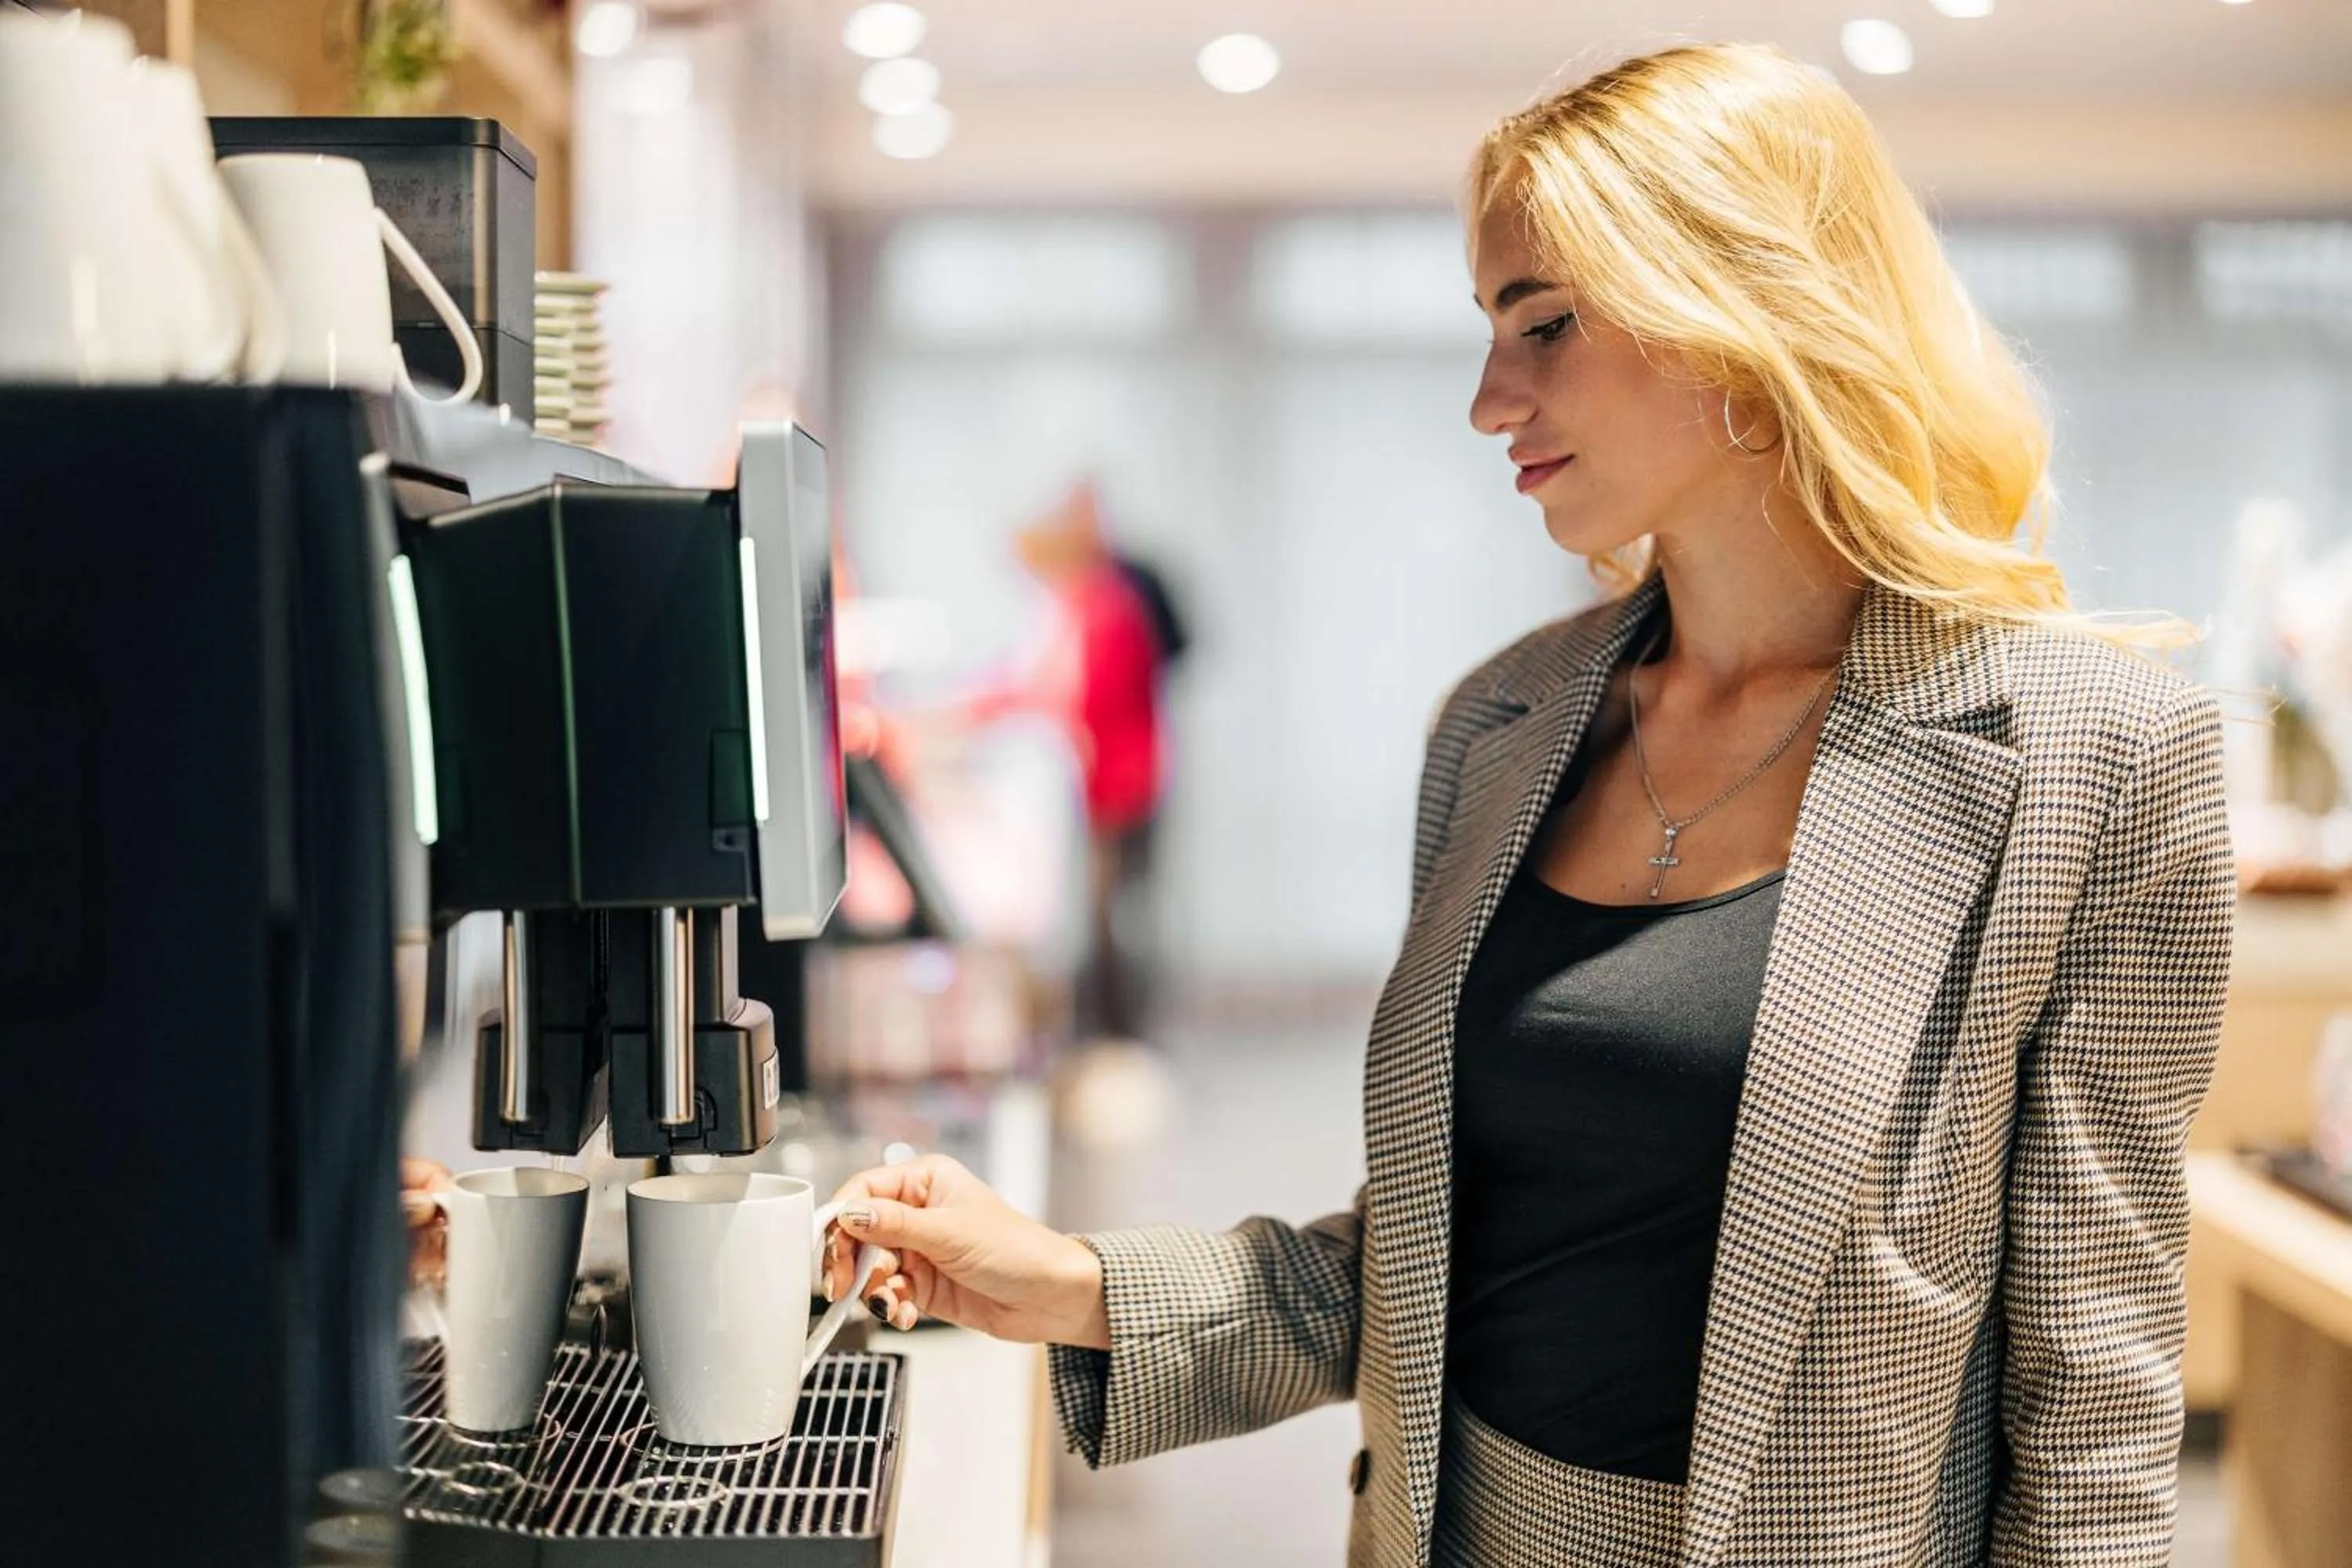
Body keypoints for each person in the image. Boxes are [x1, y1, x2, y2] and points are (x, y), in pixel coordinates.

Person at [813, 42, 2230, 1565]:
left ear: (1746, 317)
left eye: (1545, 323)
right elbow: (1429, 1262)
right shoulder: (1502, 728)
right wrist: (1066, 1278)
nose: (1493, 400)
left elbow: (2093, 1410)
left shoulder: (2099, 755)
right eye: (1493, 327)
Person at [968, 479, 1171, 1044]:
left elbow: (1077, 694)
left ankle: (1118, 1035)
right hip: (1108, 780)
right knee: (1103, 916)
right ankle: (1108, 1030)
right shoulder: (1079, 607)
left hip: (1121, 785)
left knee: (1111, 919)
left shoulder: (1105, 609)